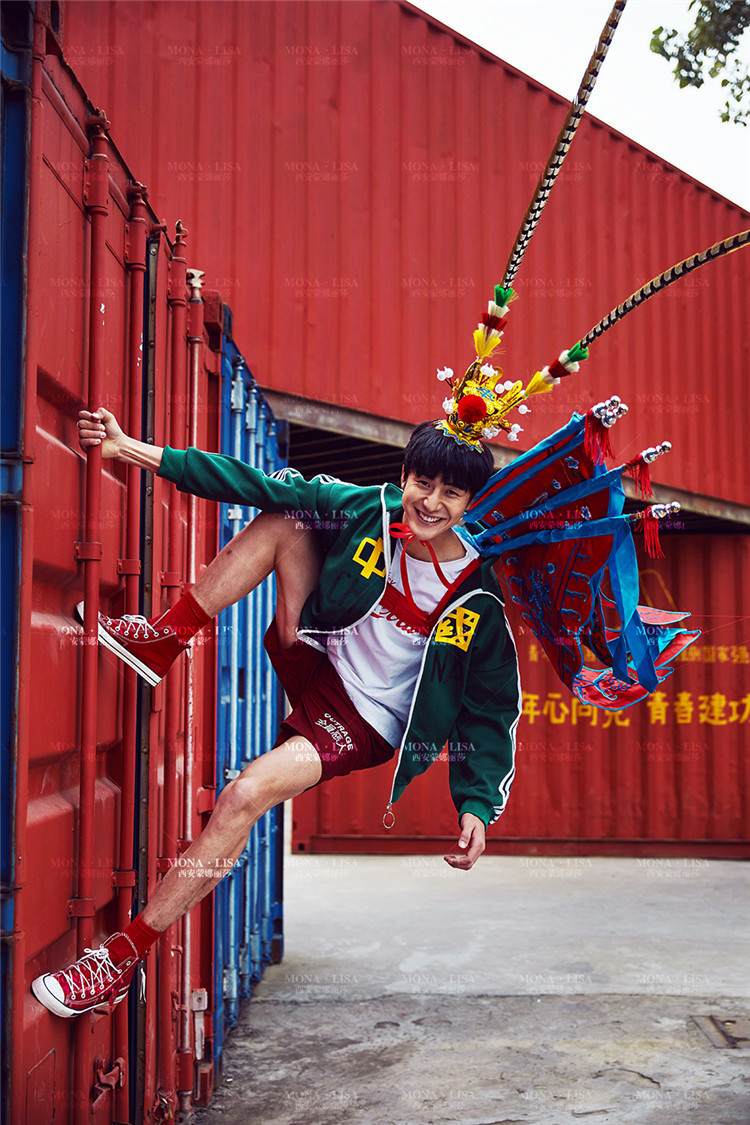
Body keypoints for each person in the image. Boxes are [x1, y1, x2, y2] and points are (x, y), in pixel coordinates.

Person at [31, 401, 522, 1019]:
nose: (431, 503)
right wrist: (131, 449)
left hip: (361, 722)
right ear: (404, 477)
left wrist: (476, 803)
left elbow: (490, 707)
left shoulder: (477, 593)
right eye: (424, 483)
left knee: (244, 795)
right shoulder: (366, 510)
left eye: (451, 494)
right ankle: (163, 641)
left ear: (470, 502)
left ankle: (121, 959)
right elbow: (258, 483)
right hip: (314, 653)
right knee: (285, 516)